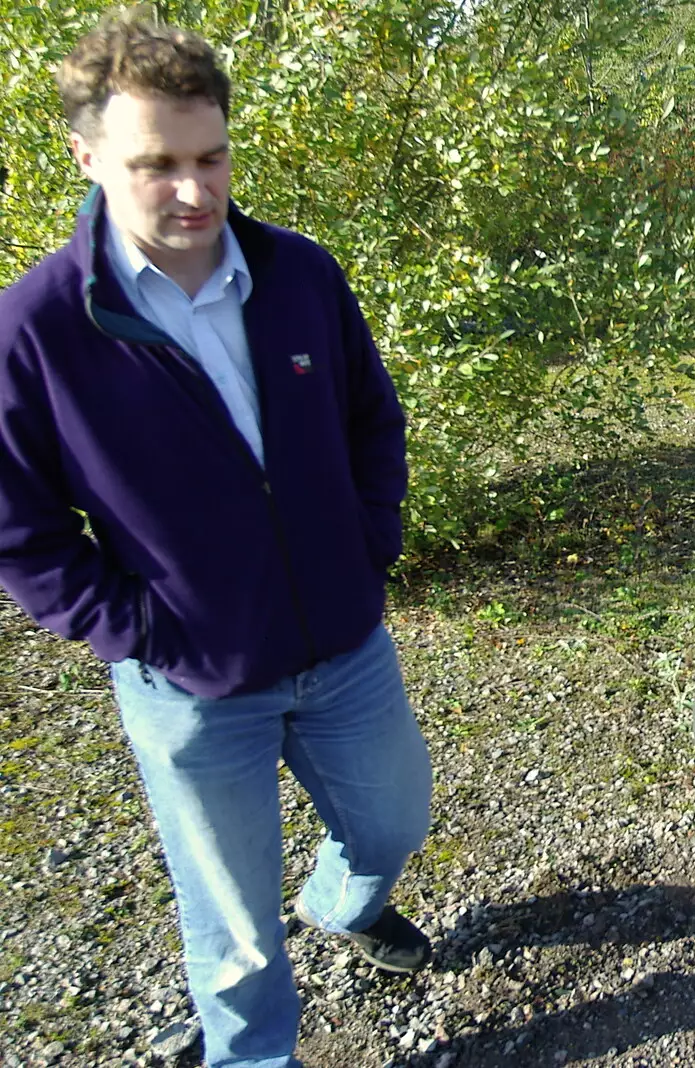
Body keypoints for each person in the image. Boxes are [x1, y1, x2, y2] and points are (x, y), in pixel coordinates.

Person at [0, 11, 433, 1067]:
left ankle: (343, 905)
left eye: (211, 158)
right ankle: (255, 1058)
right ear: (88, 155)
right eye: (156, 165)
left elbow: (371, 420)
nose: (194, 192)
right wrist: (140, 629)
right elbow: (19, 524)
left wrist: (367, 542)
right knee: (234, 929)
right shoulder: (39, 327)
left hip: (344, 648)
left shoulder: (298, 275)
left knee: (391, 830)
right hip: (191, 688)